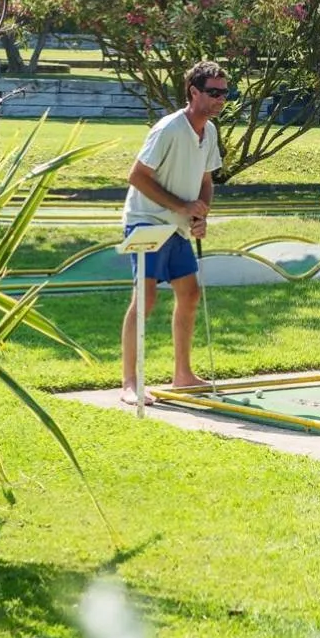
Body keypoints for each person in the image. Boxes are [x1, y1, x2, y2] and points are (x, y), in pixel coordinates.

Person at [119, 61, 228, 406]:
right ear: (193, 92)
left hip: (178, 226)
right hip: (145, 221)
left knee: (190, 294)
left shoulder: (209, 132)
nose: (220, 99)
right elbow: (136, 176)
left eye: (224, 93)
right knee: (146, 299)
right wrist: (183, 206)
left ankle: (182, 374)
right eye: (213, 93)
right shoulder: (168, 128)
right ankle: (130, 383)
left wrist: (201, 212)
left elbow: (206, 181)